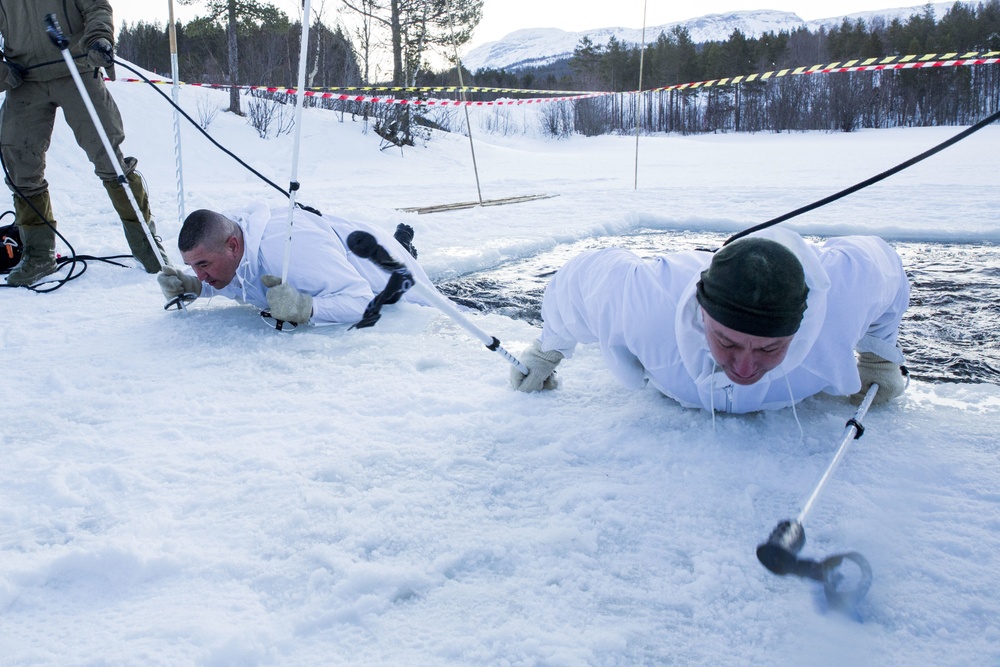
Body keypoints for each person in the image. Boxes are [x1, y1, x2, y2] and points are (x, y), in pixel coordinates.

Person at [510, 228, 910, 413]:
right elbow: (579, 282)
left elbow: (882, 263)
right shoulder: (649, 301)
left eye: (771, 348)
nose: (745, 367)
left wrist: (879, 354)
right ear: (702, 316)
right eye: (729, 342)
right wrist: (548, 350)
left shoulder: (839, 301)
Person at [0, 0, 169, 287]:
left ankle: (147, 246)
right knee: (19, 163)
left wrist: (99, 39)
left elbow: (97, 8)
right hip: (24, 79)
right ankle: (39, 256)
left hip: (76, 65)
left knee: (110, 159)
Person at [157, 202, 426, 326]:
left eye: (202, 265)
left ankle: (403, 241)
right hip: (343, 248)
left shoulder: (287, 251)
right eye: (192, 267)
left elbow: (361, 300)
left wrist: (306, 308)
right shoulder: (234, 243)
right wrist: (197, 287)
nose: (200, 275)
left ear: (233, 246)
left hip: (389, 272)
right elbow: (243, 280)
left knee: (404, 255)